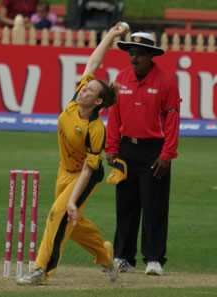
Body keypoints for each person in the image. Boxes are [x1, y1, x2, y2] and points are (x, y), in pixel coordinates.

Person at [17, 22, 128, 286]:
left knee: (58, 213)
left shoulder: (95, 129)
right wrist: (110, 36)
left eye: (90, 90)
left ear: (98, 102)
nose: (83, 89)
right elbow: (93, 62)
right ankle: (104, 254)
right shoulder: (76, 100)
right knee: (72, 224)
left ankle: (41, 270)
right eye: (85, 87)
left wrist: (72, 200)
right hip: (64, 170)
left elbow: (89, 170)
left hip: (86, 175)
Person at [105, 32, 181, 275]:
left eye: (139, 53)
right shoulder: (121, 78)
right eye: (131, 52)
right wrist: (112, 148)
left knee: (154, 206)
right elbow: (114, 116)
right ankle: (123, 257)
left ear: (151, 56)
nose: (134, 57)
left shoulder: (166, 82)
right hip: (126, 149)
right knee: (125, 206)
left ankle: (154, 259)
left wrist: (167, 154)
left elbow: (172, 120)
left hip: (154, 151)